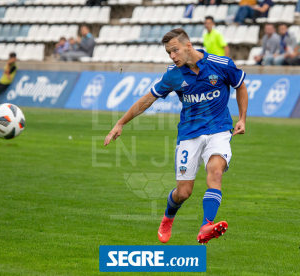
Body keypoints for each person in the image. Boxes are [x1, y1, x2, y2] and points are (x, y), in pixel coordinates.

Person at [104, 28, 248, 245]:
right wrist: (120, 123)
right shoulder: (173, 74)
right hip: (189, 135)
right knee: (183, 192)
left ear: (188, 45)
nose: (172, 56)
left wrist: (242, 118)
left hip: (219, 130)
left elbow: (241, 86)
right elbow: (147, 100)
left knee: (215, 172)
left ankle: (206, 226)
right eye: (168, 53)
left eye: (175, 50)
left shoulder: (221, 64)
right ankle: (168, 216)